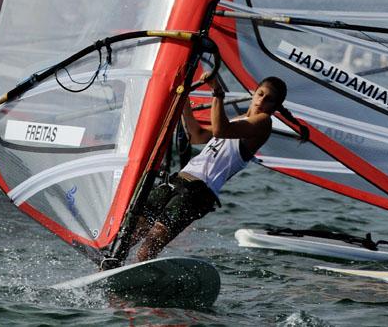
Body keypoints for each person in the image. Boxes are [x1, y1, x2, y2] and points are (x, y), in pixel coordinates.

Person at [130, 73, 308, 262]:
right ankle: (107, 266)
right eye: (260, 94)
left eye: (269, 99)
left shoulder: (264, 123)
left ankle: (137, 284)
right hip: (178, 180)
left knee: (149, 247)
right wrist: (184, 101)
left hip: (198, 192)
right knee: (130, 232)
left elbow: (220, 130)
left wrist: (217, 93)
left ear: (274, 108)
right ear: (253, 93)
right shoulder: (237, 120)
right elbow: (196, 136)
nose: (262, 101)